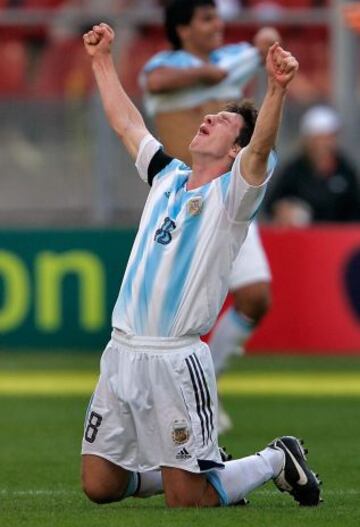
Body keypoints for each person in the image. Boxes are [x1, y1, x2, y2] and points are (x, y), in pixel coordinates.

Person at [81, 22, 321, 508]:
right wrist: (101, 60)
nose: (208, 117)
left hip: (175, 360)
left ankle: (276, 458)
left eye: (223, 120)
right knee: (100, 486)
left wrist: (276, 89)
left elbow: (260, 150)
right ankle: (202, 471)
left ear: (236, 150)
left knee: (186, 502)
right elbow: (128, 123)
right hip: (122, 351)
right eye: (211, 113)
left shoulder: (231, 198)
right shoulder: (167, 177)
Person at [140, 0, 280, 433]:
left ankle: (207, 385)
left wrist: (266, 43)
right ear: (182, 29)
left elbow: (267, 50)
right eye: (206, 18)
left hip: (231, 199)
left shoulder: (228, 61)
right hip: (186, 205)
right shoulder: (164, 65)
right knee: (184, 313)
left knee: (256, 297)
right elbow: (157, 82)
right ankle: (174, 400)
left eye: (218, 17)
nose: (217, 24)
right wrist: (212, 73)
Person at [266, 105, 360, 226]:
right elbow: (272, 205)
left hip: (339, 239)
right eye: (319, 139)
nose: (324, 144)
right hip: (303, 239)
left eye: (329, 138)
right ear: (308, 141)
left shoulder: (346, 170)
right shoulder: (294, 171)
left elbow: (355, 210)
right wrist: (283, 210)